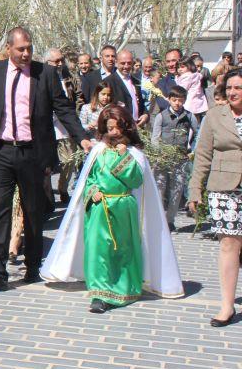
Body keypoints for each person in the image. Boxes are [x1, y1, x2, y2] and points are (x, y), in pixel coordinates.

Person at [0, 27, 91, 292]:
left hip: (33, 153)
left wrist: (82, 138)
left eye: (29, 48)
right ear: (9, 48)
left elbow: (63, 109)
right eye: (21, 49)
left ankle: (33, 265)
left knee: (33, 213)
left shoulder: (46, 74)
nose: (26, 53)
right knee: (0, 211)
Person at [42, 106, 183, 312]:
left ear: (126, 128)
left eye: (118, 128)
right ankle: (100, 293)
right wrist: (93, 191)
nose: (114, 132)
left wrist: (124, 156)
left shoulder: (135, 154)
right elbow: (87, 180)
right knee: (99, 249)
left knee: (123, 249)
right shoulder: (98, 151)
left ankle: (123, 287)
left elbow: (136, 180)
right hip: (100, 208)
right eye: (109, 128)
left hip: (123, 207)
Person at [188, 69, 242, 327]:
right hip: (225, 190)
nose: (232, 92)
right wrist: (195, 190)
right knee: (229, 246)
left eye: (238, 88)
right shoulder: (214, 116)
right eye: (229, 87)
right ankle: (227, 305)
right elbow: (203, 156)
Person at [151, 85, 200, 231]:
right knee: (160, 188)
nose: (177, 103)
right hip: (163, 158)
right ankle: (159, 218)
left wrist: (193, 149)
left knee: (177, 190)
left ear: (184, 100)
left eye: (180, 100)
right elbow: (155, 137)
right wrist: (159, 152)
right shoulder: (161, 116)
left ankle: (170, 220)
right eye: (174, 100)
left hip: (180, 158)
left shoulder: (189, 116)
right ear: (169, 100)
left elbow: (198, 133)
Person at [46, 48, 78, 204]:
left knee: (69, 161)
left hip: (65, 129)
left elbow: (77, 99)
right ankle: (47, 197)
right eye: (56, 61)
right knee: (47, 166)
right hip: (48, 128)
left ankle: (63, 188)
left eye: (61, 60)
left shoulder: (68, 78)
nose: (59, 64)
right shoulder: (42, 79)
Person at [102, 49, 149, 126]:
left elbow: (140, 103)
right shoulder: (108, 82)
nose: (126, 66)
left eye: (129, 63)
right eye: (123, 63)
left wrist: (145, 114)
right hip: (119, 128)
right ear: (116, 63)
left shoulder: (136, 81)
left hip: (137, 127)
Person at [175, 58, 208, 122]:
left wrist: (176, 79)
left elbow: (182, 89)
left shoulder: (187, 76)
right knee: (196, 120)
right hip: (197, 101)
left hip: (190, 101)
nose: (180, 69)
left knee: (190, 121)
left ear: (189, 66)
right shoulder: (195, 75)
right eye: (178, 67)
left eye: (182, 67)